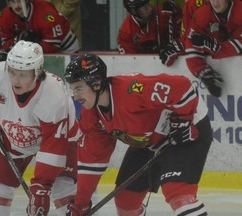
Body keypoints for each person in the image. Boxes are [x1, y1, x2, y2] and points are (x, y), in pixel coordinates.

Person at [64, 53, 213, 216]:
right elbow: (92, 161)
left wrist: (183, 119)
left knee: (178, 193)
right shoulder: (90, 117)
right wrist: (81, 204)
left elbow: (182, 87)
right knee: (125, 200)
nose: (76, 97)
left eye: (79, 88)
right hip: (148, 141)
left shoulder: (131, 90)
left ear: (97, 83)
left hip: (186, 131)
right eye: (72, 89)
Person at [0, 40, 79, 216]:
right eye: (12, 72)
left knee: (63, 190)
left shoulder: (53, 94)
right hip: (16, 135)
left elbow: (53, 145)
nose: (15, 80)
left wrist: (41, 187)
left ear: (37, 73)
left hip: (62, 139)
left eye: (23, 75)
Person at [184, 0, 242, 97]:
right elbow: (191, 45)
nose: (215, 3)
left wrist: (216, 47)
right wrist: (202, 71)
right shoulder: (201, 16)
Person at [0, 0, 79, 61]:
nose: (16, 6)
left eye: (20, 1)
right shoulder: (4, 16)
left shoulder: (47, 14)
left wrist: (30, 48)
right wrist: (18, 41)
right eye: (13, 1)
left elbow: (52, 45)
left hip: (64, 48)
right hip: (34, 51)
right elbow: (5, 43)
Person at [117, 0, 182, 54]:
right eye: (145, 7)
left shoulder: (161, 13)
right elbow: (129, 60)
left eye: (148, 4)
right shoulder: (125, 32)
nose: (150, 8)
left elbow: (181, 30)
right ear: (133, 11)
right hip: (144, 66)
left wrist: (176, 10)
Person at [159, 0, 209, 67]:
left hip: (221, 53)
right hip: (204, 55)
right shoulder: (191, 3)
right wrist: (179, 45)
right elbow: (186, 34)